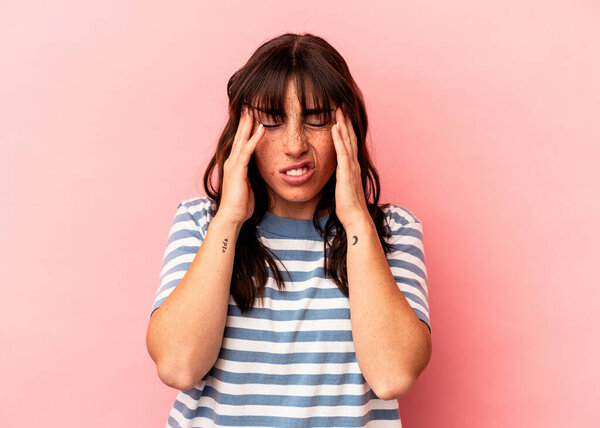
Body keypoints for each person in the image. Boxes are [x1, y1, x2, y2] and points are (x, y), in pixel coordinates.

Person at [146, 32, 432, 427]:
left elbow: (393, 376)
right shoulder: (200, 223)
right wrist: (229, 218)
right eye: (272, 122)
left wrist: (355, 221)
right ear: (243, 131)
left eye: (316, 119)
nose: (295, 144)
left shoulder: (392, 231)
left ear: (347, 126)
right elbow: (178, 367)